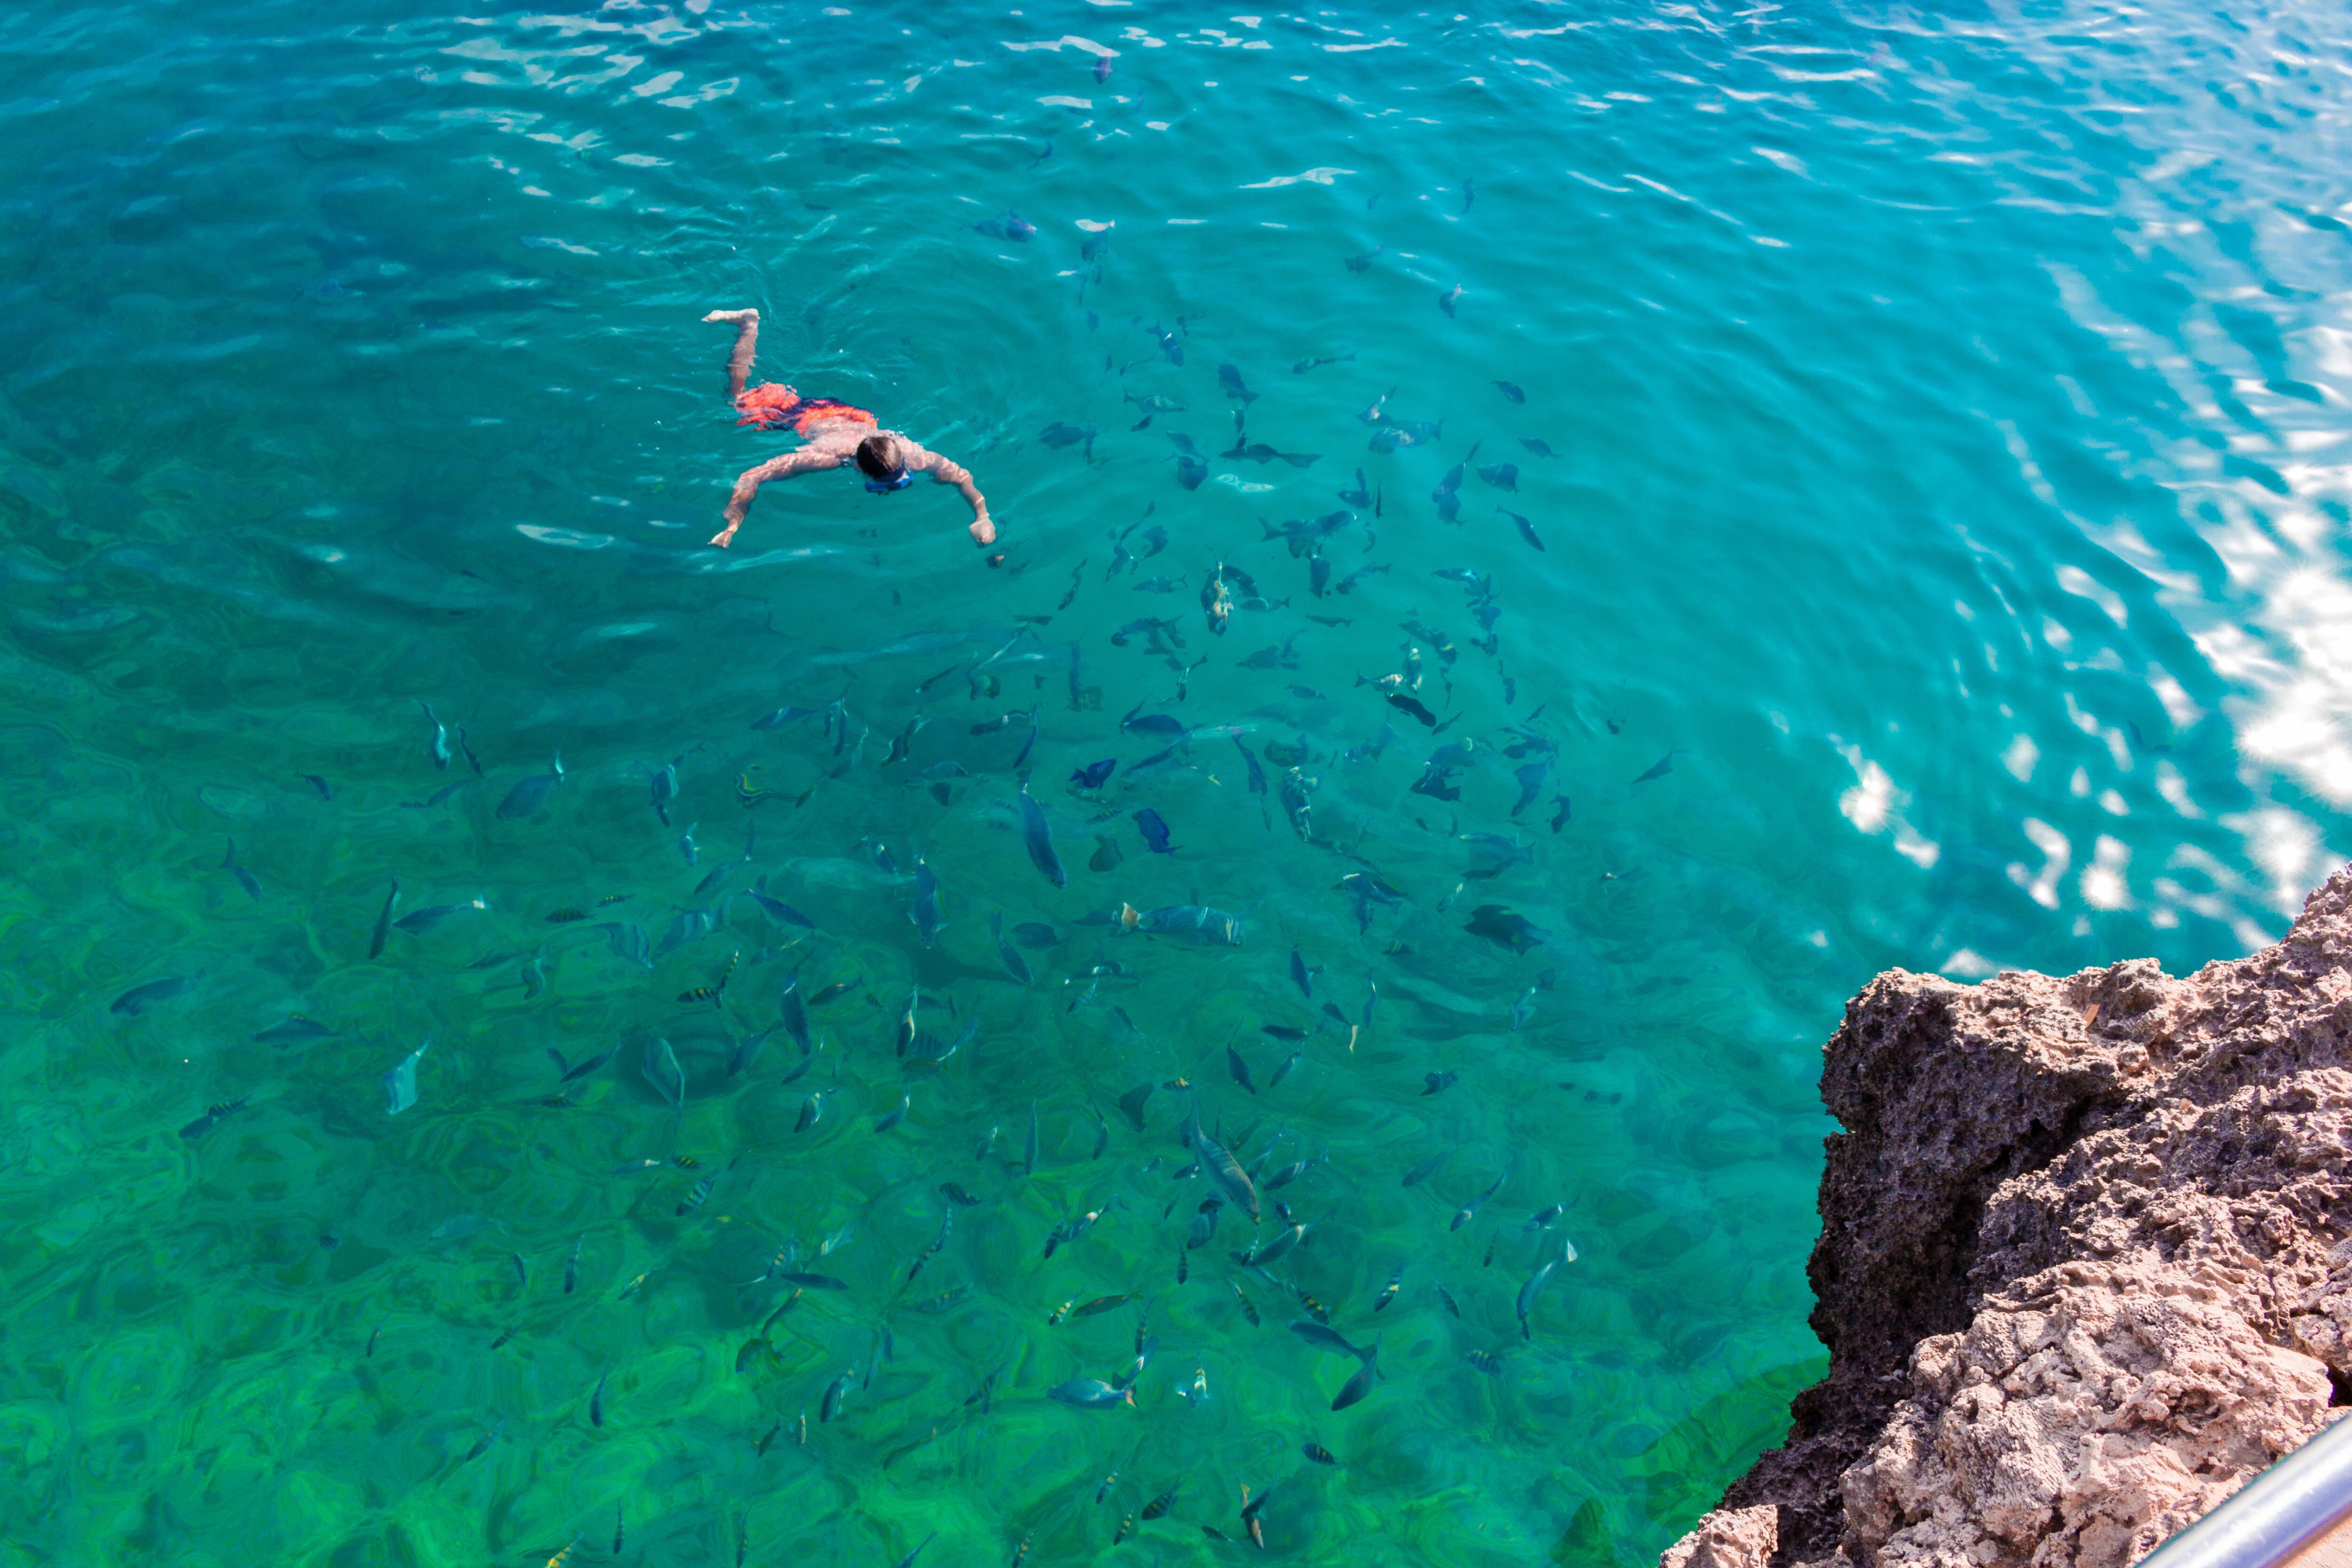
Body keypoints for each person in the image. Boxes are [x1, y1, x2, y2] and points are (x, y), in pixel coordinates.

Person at [700, 309, 995, 549]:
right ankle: (748, 323)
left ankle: (749, 325)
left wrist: (982, 516)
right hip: (807, 417)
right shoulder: (825, 457)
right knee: (737, 400)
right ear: (860, 468)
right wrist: (733, 523)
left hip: (849, 417)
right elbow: (750, 476)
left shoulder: (912, 454)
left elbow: (961, 477)